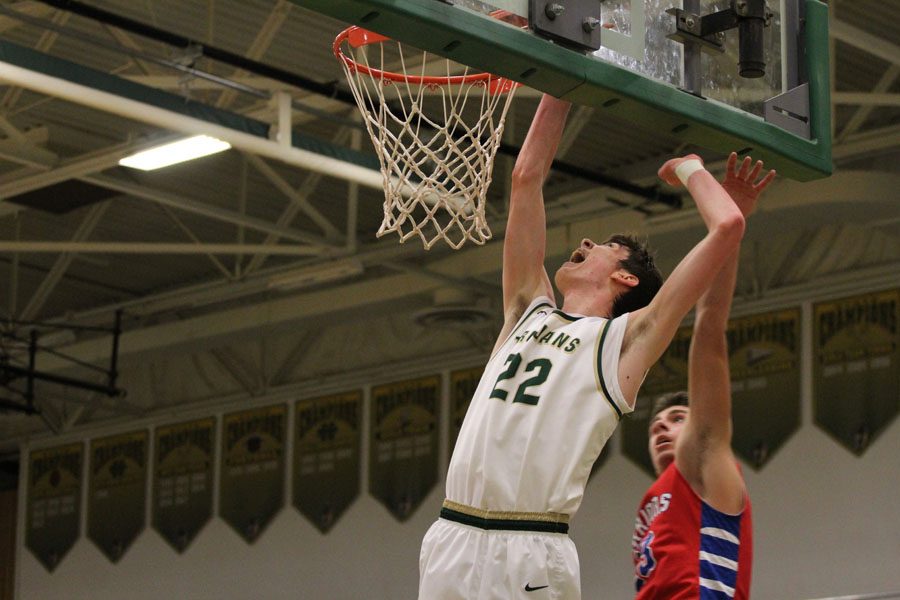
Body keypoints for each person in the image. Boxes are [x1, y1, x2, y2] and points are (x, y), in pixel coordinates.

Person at [418, 93, 751, 600]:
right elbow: (526, 176)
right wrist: (561, 82)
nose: (588, 244)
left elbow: (727, 226)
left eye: (605, 247)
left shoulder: (625, 343)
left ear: (624, 277)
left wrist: (689, 169)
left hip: (531, 544)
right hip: (451, 536)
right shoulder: (526, 308)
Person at [632, 152, 775, 599]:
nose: (661, 428)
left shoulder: (704, 456)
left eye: (676, 418)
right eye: (656, 423)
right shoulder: (653, 499)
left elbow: (711, 321)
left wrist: (729, 219)